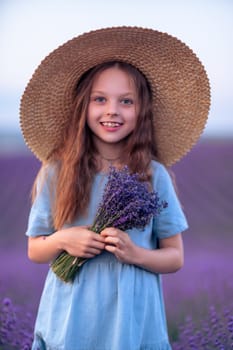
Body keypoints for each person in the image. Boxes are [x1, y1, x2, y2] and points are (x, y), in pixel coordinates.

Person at [20, 27, 210, 350]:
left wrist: (134, 253)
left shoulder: (153, 175)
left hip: (132, 327)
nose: (112, 111)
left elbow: (175, 257)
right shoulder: (57, 171)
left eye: (126, 101)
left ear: (142, 111)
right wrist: (65, 239)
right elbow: (35, 249)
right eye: (100, 100)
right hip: (70, 323)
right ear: (83, 106)